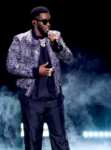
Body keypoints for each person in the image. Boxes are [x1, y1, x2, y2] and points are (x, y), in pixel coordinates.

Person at [6, 6, 73, 150]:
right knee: (32, 143)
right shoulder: (21, 39)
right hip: (32, 101)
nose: (48, 24)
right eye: (44, 21)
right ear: (34, 22)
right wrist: (37, 71)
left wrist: (58, 46)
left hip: (54, 100)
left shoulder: (56, 36)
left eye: (49, 20)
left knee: (61, 143)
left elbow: (68, 59)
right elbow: (11, 65)